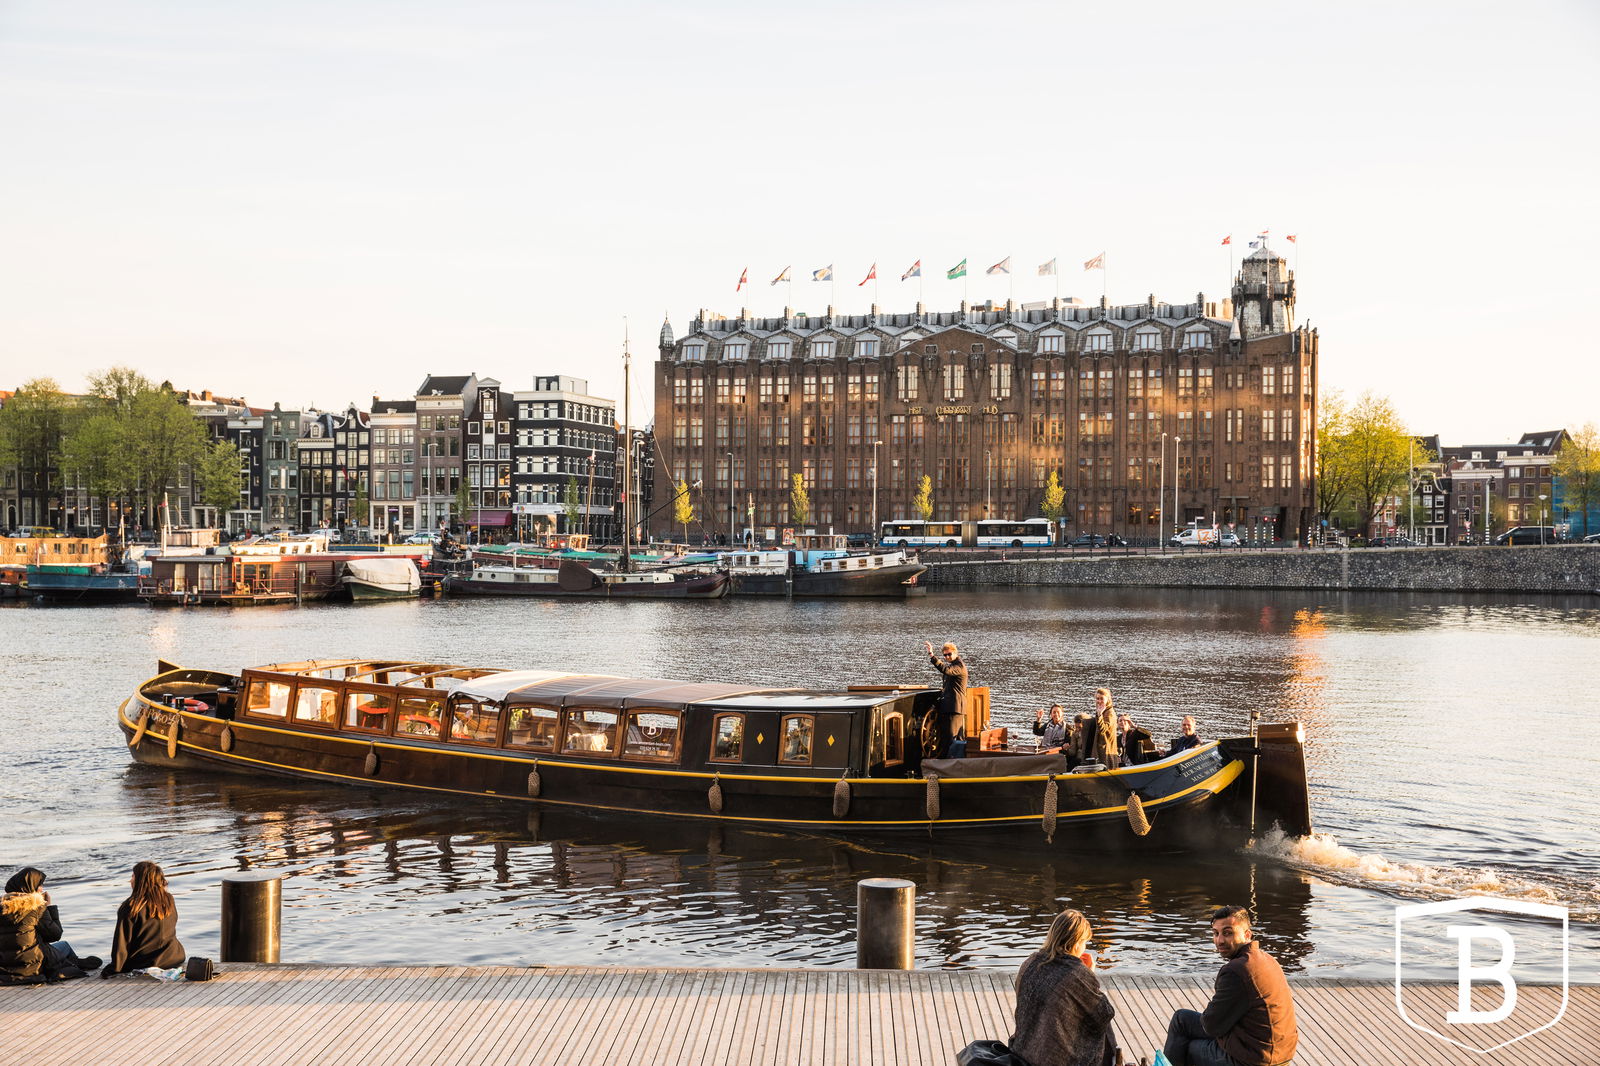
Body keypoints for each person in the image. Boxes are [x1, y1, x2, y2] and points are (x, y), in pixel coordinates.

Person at [1163, 905, 1298, 1066]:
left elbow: (1212, 1026)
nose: (1220, 940)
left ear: (1247, 934)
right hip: (1280, 1053)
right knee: (1182, 1019)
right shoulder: (1267, 959)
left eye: (1228, 933)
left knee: (1187, 1041)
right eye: (1216, 933)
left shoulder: (1236, 971)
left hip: (1256, 1059)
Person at [1009, 909, 1117, 1066]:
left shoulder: (1030, 962)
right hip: (1052, 1059)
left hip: (1023, 1048)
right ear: (1076, 942)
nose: (1084, 948)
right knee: (1100, 1026)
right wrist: (1089, 974)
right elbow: (1105, 1012)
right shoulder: (1076, 973)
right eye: (1084, 942)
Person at [0, 868, 99, 984]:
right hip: (32, 965)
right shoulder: (35, 907)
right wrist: (48, 907)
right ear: (31, 886)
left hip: (4, 965)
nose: (42, 889)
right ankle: (74, 963)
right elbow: (55, 935)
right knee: (64, 945)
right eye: (40, 885)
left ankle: (73, 963)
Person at [105, 861, 186, 977]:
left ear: (140, 880)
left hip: (146, 962)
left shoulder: (130, 906)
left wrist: (114, 968)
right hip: (174, 956)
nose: (130, 880)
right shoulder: (168, 900)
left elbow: (122, 943)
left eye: (133, 876)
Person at [923, 640, 967, 758]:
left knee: (952, 738)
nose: (947, 657)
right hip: (948, 706)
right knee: (947, 737)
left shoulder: (959, 666)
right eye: (945, 655)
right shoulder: (954, 665)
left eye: (949, 654)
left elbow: (946, 670)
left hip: (955, 707)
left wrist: (932, 655)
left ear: (955, 653)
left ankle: (951, 763)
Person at [1088, 688, 1119, 769]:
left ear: (1107, 699)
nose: (1099, 701)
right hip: (1100, 748)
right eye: (1097, 698)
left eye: (1102, 698)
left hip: (1106, 750)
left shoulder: (1110, 713)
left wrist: (1099, 715)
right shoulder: (1103, 710)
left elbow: (1103, 729)